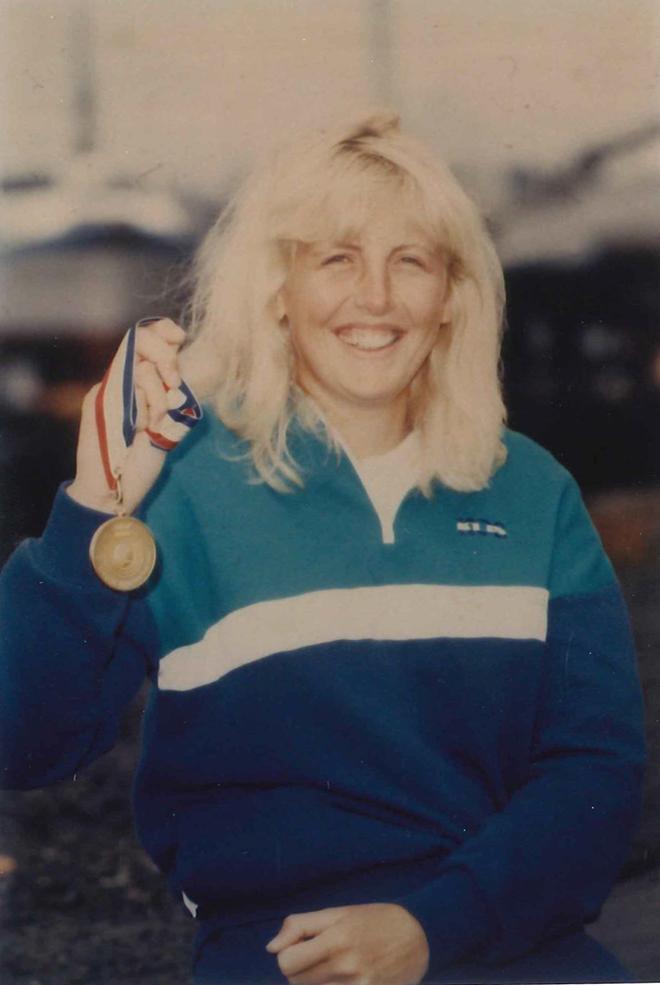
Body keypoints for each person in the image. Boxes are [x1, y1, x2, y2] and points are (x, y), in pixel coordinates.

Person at [0, 113, 646, 985]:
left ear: (452, 293)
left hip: (514, 944)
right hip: (284, 958)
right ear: (278, 288)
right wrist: (94, 506)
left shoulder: (534, 492)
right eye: (336, 258)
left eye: (410, 261)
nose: (375, 298)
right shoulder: (178, 490)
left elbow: (593, 771)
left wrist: (431, 926)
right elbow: (25, 742)